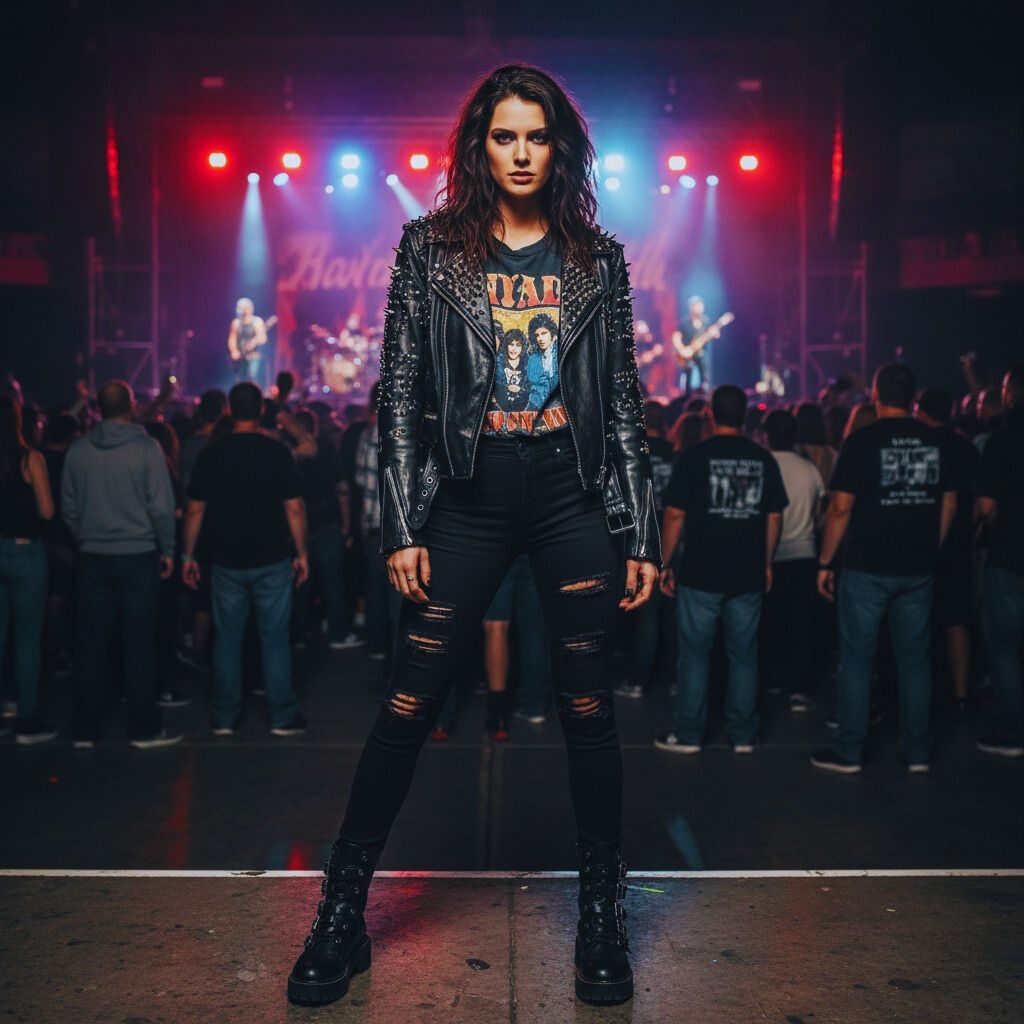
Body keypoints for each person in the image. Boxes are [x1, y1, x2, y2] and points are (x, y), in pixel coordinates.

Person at [287, 64, 660, 1009]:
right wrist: (405, 521)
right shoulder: (430, 249)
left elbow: (621, 405)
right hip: (468, 494)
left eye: (537, 136)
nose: (522, 152)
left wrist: (641, 531)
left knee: (589, 713)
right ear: (480, 145)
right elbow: (401, 396)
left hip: (572, 498)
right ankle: (340, 915)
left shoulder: (598, 261)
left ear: (559, 146)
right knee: (407, 706)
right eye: (505, 135)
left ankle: (602, 918)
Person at [812, 363, 956, 774]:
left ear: (875, 395)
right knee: (915, 661)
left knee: (858, 659)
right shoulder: (937, 441)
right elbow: (949, 503)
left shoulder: (861, 441)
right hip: (918, 565)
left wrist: (825, 562)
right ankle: (917, 753)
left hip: (867, 566)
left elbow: (840, 508)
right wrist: (932, 546)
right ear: (913, 397)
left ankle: (850, 751)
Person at [654, 385, 787, 755]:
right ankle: (743, 735)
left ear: (711, 414)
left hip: (700, 571)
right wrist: (767, 561)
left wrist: (665, 562)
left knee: (694, 655)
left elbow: (675, 514)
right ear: (745, 415)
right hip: (747, 571)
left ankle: (688, 734)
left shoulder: (694, 457)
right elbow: (774, 516)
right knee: (744, 655)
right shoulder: (762, 459)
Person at [182, 382, 309, 737]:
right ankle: (282, 716)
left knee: (227, 639)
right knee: (274, 639)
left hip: (226, 560)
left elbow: (194, 509)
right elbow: (295, 508)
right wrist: (301, 553)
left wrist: (188, 555)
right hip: (271, 558)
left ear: (229, 411)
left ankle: (224, 715)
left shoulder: (212, 453)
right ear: (261, 411)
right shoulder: (277, 452)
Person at [61, 380, 181, 750]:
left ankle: (86, 728)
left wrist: (89, 535)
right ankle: (143, 729)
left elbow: (68, 507)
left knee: (92, 644)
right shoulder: (147, 449)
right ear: (131, 406)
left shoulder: (79, 450)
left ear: (98, 407)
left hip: (93, 555)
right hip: (138, 555)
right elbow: (162, 508)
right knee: (139, 644)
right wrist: (167, 549)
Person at [915, 387, 980, 714]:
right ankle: (960, 695)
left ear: (921, 411)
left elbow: (948, 504)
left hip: (922, 544)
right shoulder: (965, 447)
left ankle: (923, 695)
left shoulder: (920, 445)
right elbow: (979, 502)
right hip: (958, 546)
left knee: (918, 623)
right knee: (956, 623)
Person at [0, 394, 57, 744]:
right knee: (26, 640)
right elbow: (47, 512)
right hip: (23, 551)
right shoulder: (29, 459)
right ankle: (27, 719)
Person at [974, 365, 1024, 757]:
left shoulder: (1001, 443)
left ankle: (1014, 731)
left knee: (1005, 645)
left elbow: (986, 507)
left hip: (1010, 554)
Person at [762, 409, 825, 711]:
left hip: (766, 555)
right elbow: (818, 515)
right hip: (803, 555)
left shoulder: (762, 465)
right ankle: (799, 688)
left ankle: (770, 679)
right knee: (800, 624)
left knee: (767, 621)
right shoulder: (809, 469)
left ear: (765, 435)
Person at [671, 295, 716, 396]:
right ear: (691, 307)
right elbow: (676, 336)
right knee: (688, 377)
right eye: (697, 306)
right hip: (688, 355)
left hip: (702, 354)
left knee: (706, 376)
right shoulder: (684, 322)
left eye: (701, 306)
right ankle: (687, 398)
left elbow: (713, 334)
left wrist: (714, 334)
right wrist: (682, 349)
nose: (699, 308)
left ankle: (705, 396)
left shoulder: (706, 321)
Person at [227, 297, 268, 386]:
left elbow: (263, 338)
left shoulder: (257, 321)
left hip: (254, 356)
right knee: (238, 379)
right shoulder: (236, 323)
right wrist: (234, 351)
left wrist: (255, 342)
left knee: (252, 376)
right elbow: (232, 339)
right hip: (240, 356)